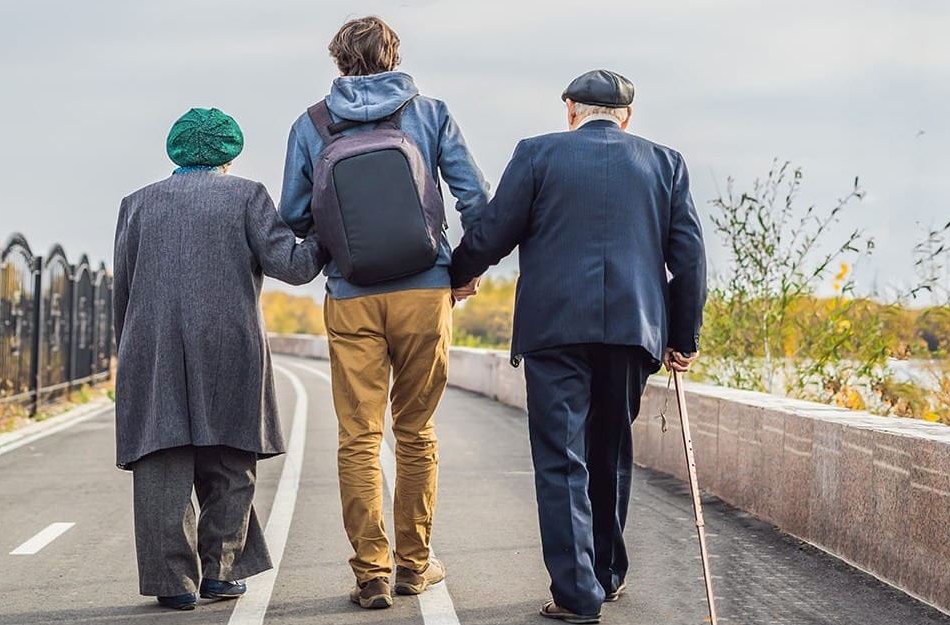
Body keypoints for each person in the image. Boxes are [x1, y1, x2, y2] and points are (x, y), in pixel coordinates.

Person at [449, 70, 707, 624]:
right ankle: (607, 575)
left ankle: (576, 594)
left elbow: (494, 231)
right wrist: (683, 338)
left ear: (570, 110)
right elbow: (687, 256)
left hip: (555, 331)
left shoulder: (538, 155)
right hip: (633, 334)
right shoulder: (666, 163)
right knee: (609, 453)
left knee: (561, 461)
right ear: (627, 116)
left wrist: (456, 276)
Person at [278, 15, 489, 610]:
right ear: (394, 55)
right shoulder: (430, 112)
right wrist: (463, 270)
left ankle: (371, 572)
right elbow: (474, 197)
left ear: (339, 61)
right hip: (425, 291)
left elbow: (295, 216)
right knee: (416, 432)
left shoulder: (312, 123)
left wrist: (342, 249)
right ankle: (414, 565)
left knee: (358, 437)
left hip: (352, 296)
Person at [113, 107, 326, 610]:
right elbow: (292, 267)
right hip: (230, 346)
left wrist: (128, 350)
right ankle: (220, 572)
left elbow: (123, 288)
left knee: (161, 458)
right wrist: (323, 232)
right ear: (229, 155)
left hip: (151, 347)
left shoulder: (136, 205)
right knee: (231, 459)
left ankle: (173, 583)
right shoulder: (246, 196)